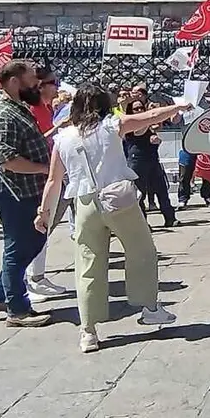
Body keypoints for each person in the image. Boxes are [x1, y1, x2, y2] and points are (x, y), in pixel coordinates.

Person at [34, 84, 183, 352]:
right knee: (141, 251)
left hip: (84, 203)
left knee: (88, 264)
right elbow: (149, 118)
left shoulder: (63, 138)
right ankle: (149, 307)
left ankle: (88, 330)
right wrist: (178, 107)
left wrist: (43, 213)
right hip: (118, 198)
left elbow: (54, 180)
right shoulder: (111, 125)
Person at [0, 59, 53, 327]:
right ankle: (18, 309)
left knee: (31, 242)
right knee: (18, 247)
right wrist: (43, 168)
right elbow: (7, 159)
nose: (36, 84)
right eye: (31, 80)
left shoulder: (17, 109)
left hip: (25, 190)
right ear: (14, 82)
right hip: (14, 192)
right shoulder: (2, 115)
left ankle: (1, 295)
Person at [25, 66, 71, 300]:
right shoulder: (31, 110)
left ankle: (38, 276)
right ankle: (30, 280)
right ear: (40, 86)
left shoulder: (47, 108)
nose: (58, 86)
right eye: (53, 82)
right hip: (40, 177)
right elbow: (33, 144)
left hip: (54, 173)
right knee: (38, 227)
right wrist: (58, 129)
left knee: (45, 228)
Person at [122, 97, 176, 228]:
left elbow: (152, 133)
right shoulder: (130, 124)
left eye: (141, 108)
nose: (139, 110)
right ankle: (142, 223)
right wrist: (151, 117)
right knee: (139, 193)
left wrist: (156, 138)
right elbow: (139, 131)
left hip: (152, 159)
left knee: (162, 189)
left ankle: (170, 217)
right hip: (137, 161)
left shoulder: (148, 124)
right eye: (136, 109)